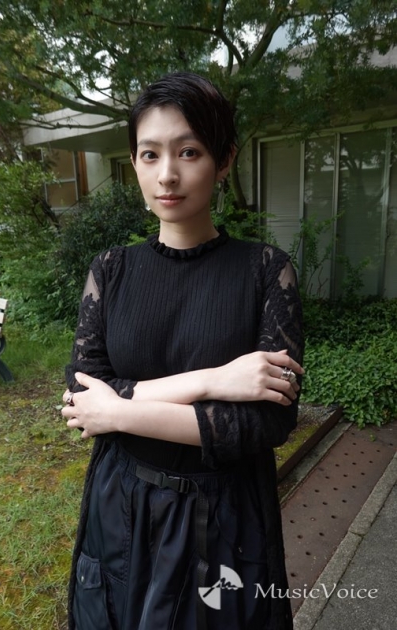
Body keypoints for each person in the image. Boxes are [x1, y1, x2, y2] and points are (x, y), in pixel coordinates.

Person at [62, 71, 304, 630]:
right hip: (121, 505)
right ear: (134, 162)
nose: (167, 174)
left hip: (225, 515)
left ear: (224, 160)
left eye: (189, 151)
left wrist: (119, 412)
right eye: (150, 154)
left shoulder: (266, 271)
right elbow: (82, 395)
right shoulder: (111, 270)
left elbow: (268, 420)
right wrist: (212, 381)